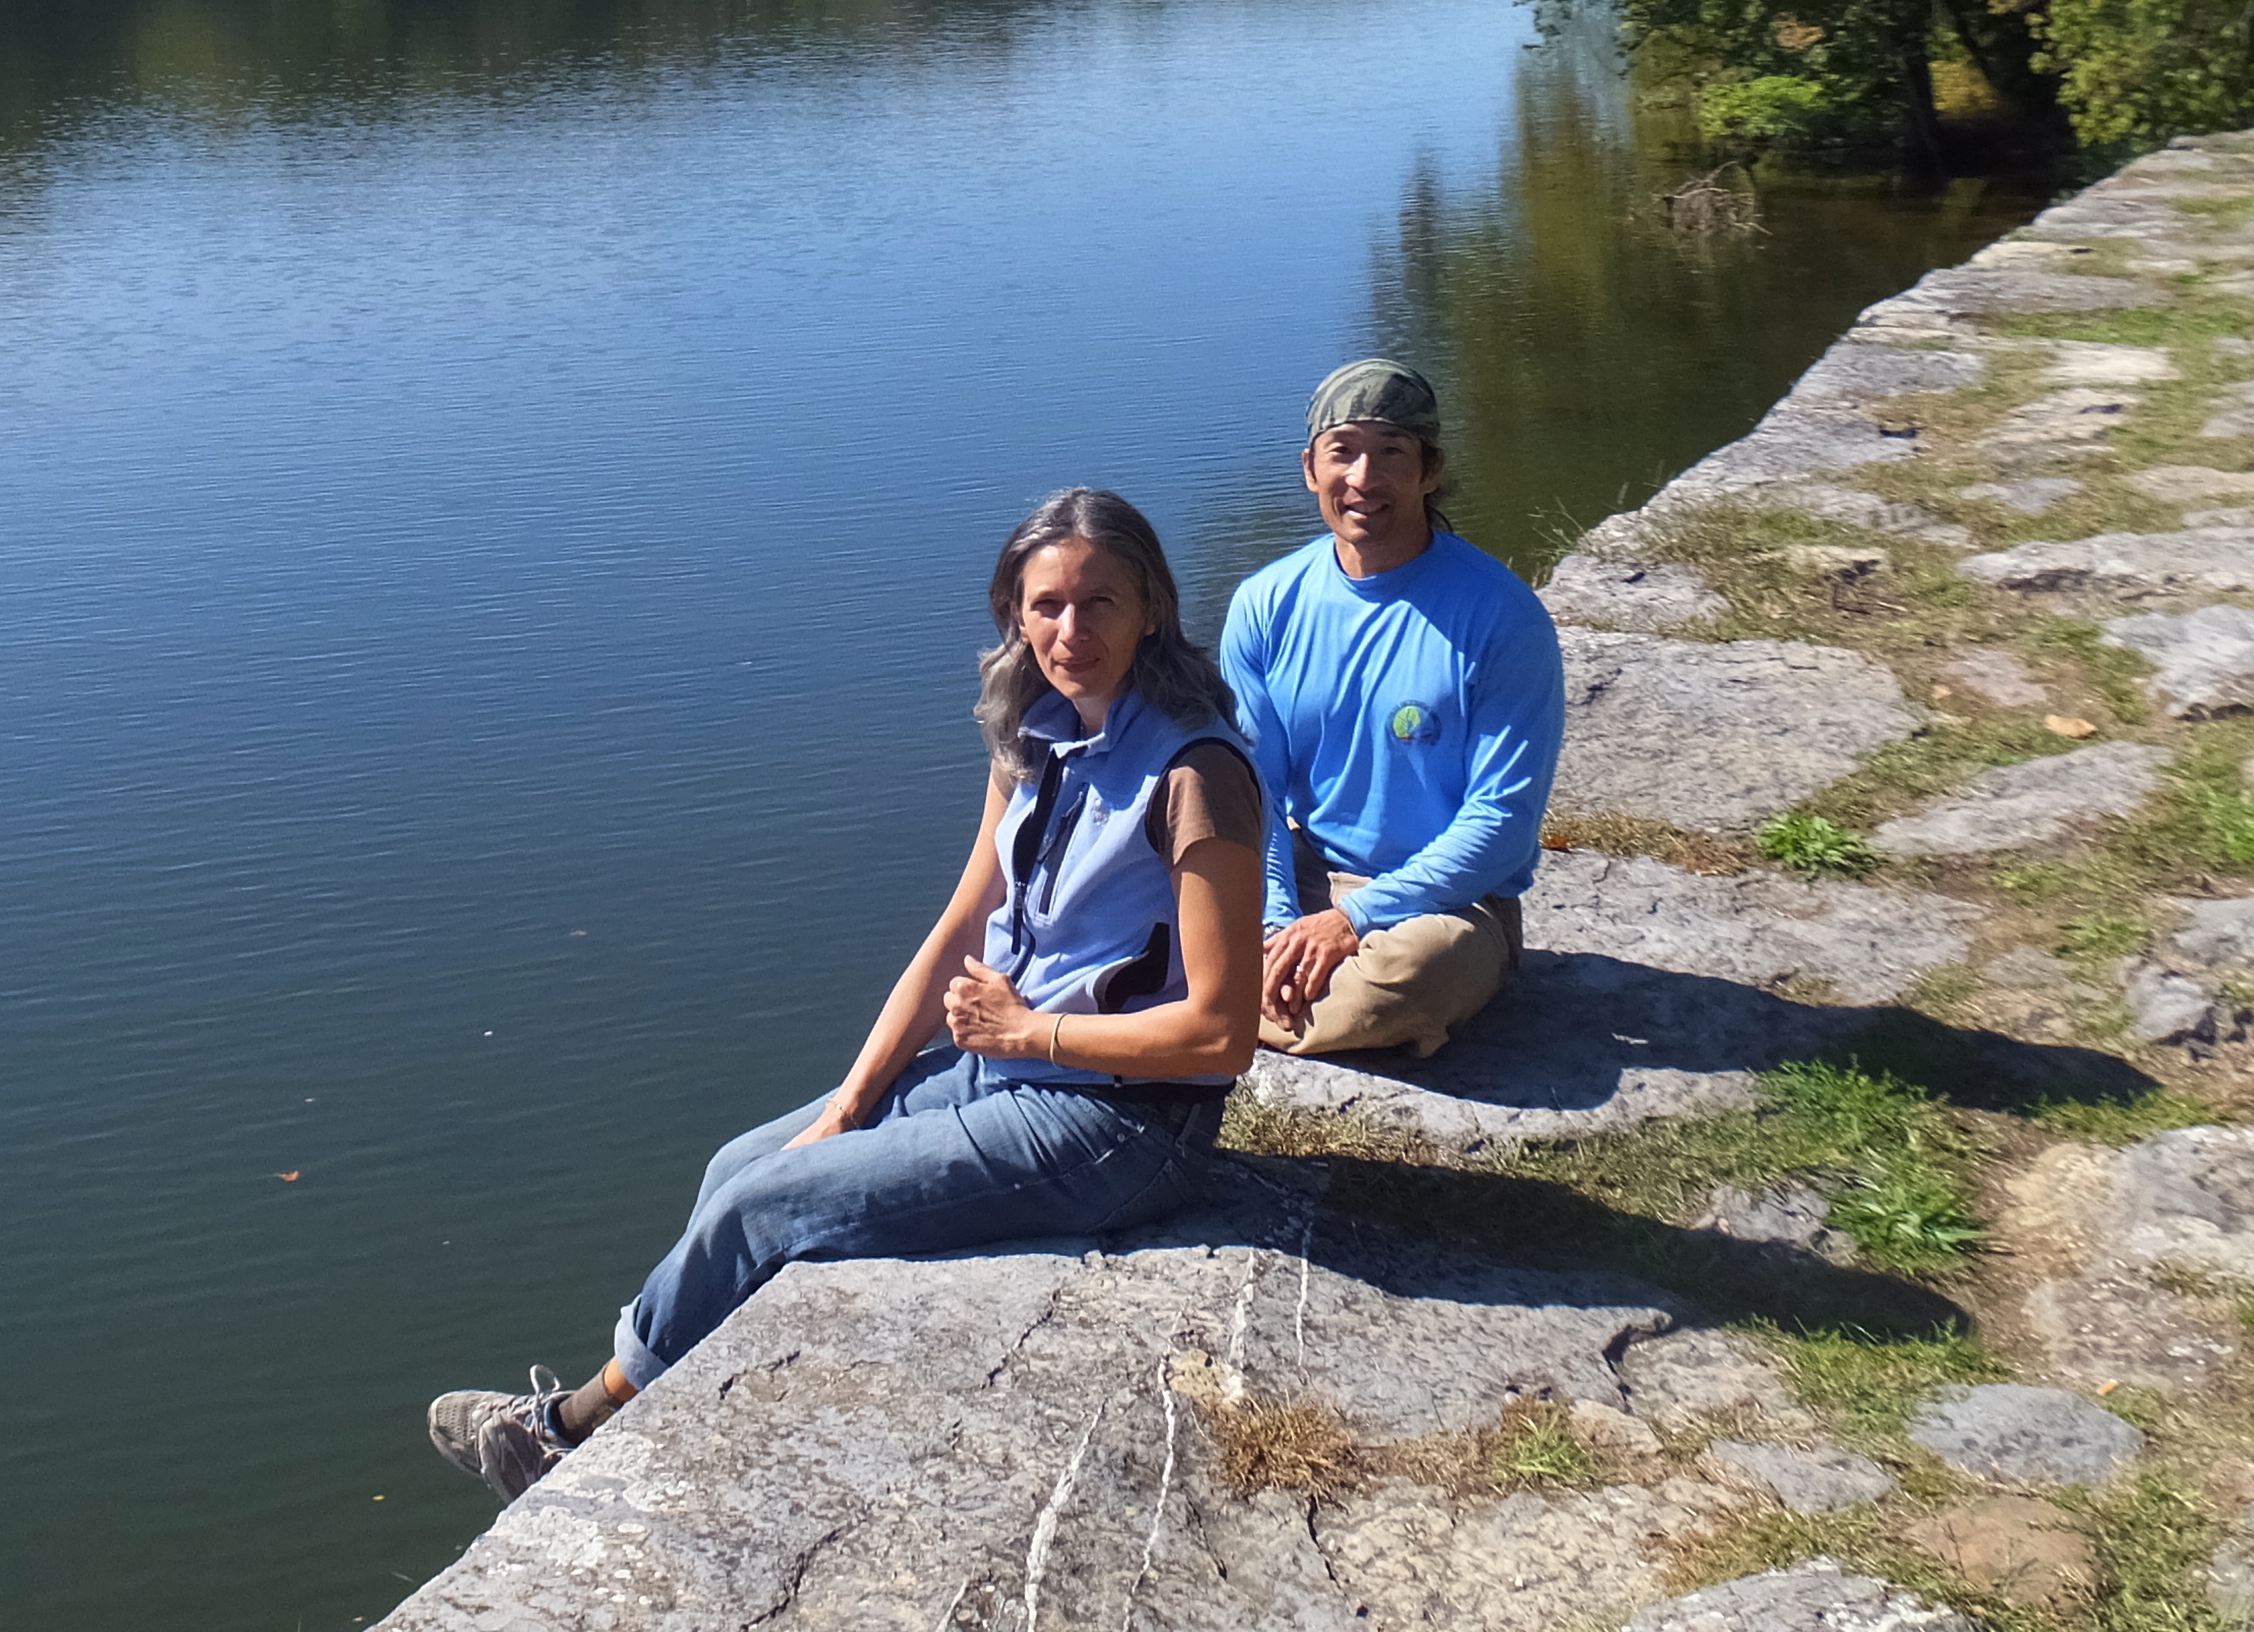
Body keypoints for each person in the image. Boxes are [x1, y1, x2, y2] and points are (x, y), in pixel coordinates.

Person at [425, 488, 1267, 1503]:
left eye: (1100, 604)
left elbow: (1222, 1038)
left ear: (1153, 610)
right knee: (743, 1164)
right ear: (1014, 614)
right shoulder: (1036, 737)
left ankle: (564, 1431)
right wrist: (848, 1105)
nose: (1070, 630)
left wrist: (1031, 1028)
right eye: (1046, 605)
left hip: (1124, 1125)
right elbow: (961, 927)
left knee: (766, 1209)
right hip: (1004, 1073)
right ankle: (683, 1405)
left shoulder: (1197, 771)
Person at [1219, 359, 1564, 1061]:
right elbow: (1252, 791)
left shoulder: (1501, 617)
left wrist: (1352, 919)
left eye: (1392, 454)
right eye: (1343, 452)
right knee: (1144, 887)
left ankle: (1213, 1000)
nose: (1364, 479)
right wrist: (1277, 925)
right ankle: (1265, 983)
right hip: (1306, 867)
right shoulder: (1265, 604)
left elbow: (1502, 825)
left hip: (1448, 904)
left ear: (1430, 470)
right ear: (1309, 467)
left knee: (1409, 976)